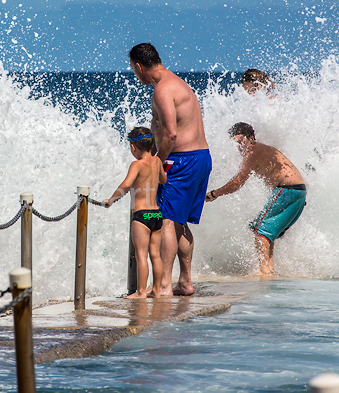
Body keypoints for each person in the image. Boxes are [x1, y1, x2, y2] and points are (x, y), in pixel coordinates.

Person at [129, 43, 212, 296]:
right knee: (179, 223)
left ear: (139, 66)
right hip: (200, 158)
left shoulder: (163, 90)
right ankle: (185, 282)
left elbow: (170, 133)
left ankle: (163, 286)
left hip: (182, 161)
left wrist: (156, 162)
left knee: (166, 220)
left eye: (133, 69)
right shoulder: (177, 82)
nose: (135, 74)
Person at [205, 122, 306, 275]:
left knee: (261, 230)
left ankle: (264, 272)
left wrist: (214, 194)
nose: (239, 147)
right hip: (297, 191)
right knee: (267, 232)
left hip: (288, 190)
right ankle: (269, 270)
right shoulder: (263, 149)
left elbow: (237, 183)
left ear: (251, 138)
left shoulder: (253, 153)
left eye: (241, 142)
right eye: (236, 144)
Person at [103, 126, 168, 299]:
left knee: (141, 255)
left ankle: (140, 292)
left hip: (141, 215)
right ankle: (155, 290)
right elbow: (164, 179)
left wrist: (111, 200)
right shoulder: (156, 161)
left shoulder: (137, 164)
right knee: (156, 255)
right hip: (156, 214)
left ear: (133, 147)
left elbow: (126, 185)